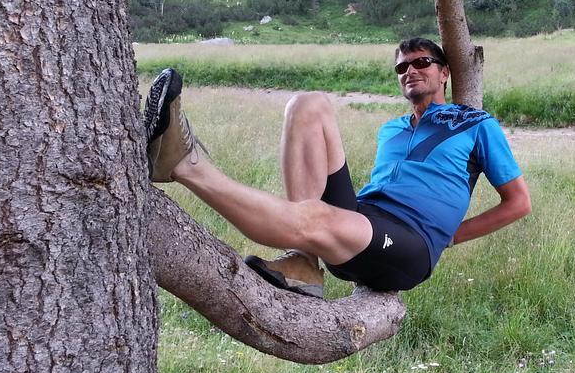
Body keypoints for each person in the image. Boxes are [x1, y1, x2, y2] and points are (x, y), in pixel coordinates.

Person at [144, 37, 531, 295]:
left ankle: (185, 164)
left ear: (444, 73)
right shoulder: (391, 129)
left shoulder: (474, 124)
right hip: (365, 217)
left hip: (410, 244)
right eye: (402, 68)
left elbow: (518, 203)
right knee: (307, 104)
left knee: (315, 218)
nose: (410, 71)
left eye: (422, 62)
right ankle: (304, 261)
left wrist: (452, 236)